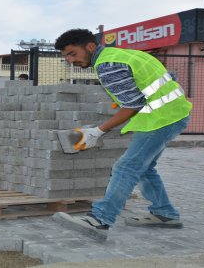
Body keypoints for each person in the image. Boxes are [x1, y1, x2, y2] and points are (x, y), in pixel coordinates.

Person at [52, 29, 192, 242]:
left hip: (160, 118)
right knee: (145, 168)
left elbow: (133, 105)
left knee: (126, 167)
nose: (71, 60)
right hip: (174, 112)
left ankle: (100, 219)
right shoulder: (125, 55)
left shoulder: (106, 66)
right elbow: (163, 80)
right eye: (66, 57)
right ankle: (165, 214)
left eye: (73, 53)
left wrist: (98, 131)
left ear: (90, 46)